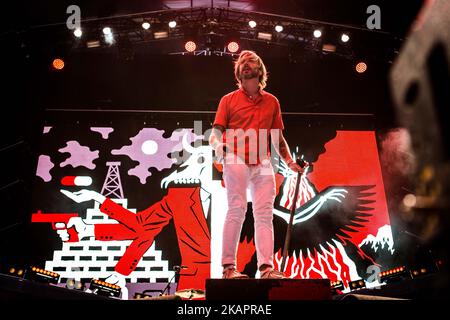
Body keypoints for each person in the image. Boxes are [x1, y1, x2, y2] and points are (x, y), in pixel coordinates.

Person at [209, 50, 308, 279]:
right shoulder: (228, 100)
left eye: (250, 61)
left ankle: (266, 269)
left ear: (259, 69)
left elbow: (278, 138)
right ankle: (228, 269)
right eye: (242, 62)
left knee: (264, 214)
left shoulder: (272, 101)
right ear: (238, 72)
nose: (245, 64)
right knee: (237, 209)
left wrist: (290, 162)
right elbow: (215, 132)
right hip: (236, 156)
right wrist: (217, 146)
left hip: (262, 161)